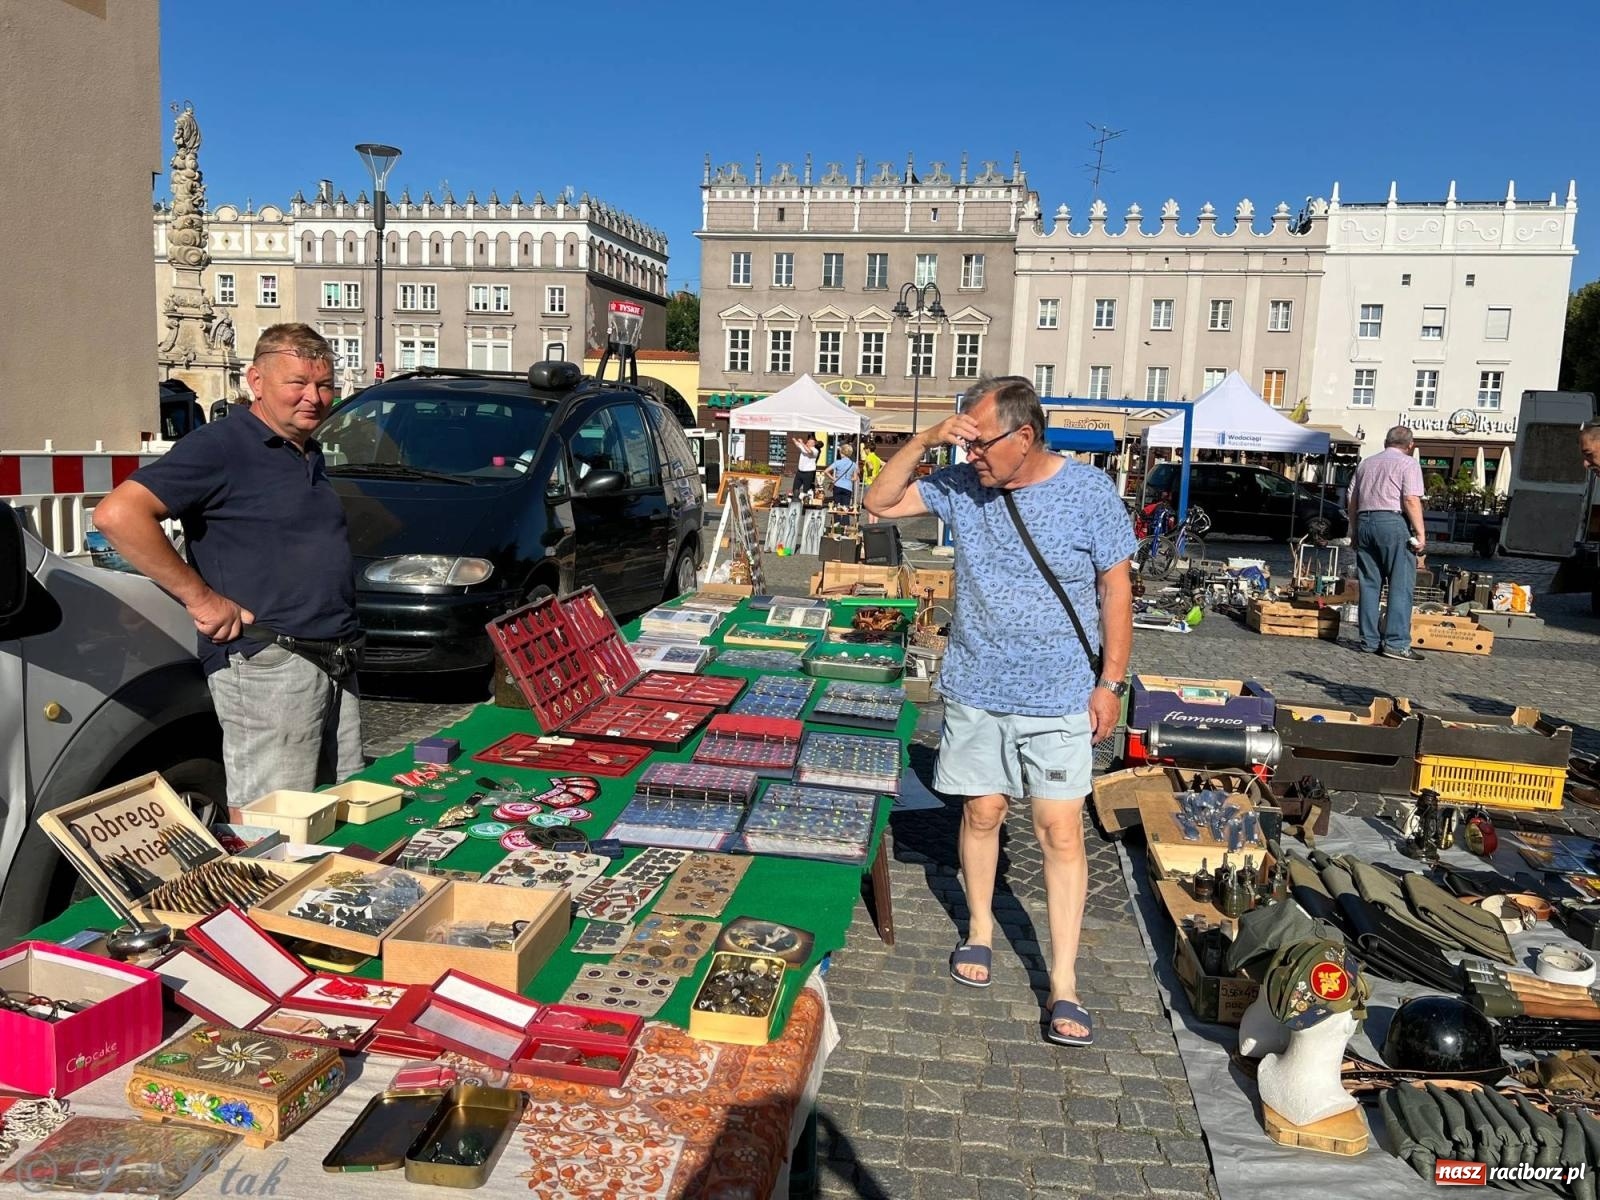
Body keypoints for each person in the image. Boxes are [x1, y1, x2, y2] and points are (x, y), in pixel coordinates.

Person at [864, 375, 1135, 1047]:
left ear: (1024, 436)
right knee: (982, 812)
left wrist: (1112, 682)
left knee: (1060, 831)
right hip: (978, 684)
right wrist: (927, 439)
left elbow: (1115, 587)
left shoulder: (1088, 493)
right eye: (964, 442)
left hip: (1060, 691)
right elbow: (878, 501)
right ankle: (980, 930)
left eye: (980, 443)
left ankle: (1064, 982)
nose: (971, 456)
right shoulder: (961, 486)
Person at [94, 323, 364, 805]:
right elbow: (119, 515)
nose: (314, 397)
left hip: (333, 657)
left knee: (341, 807)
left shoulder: (306, 449)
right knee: (276, 822)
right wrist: (201, 598)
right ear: (255, 382)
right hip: (270, 661)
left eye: (324, 385)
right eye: (297, 383)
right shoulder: (221, 444)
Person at [1346, 425, 1427, 661]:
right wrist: (1421, 534)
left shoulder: (1366, 464)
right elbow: (1411, 499)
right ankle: (1395, 643)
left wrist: (1355, 531)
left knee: (1370, 584)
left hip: (1365, 521)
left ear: (1385, 441)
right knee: (1401, 585)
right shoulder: (1408, 463)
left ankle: (1369, 641)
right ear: (1410, 445)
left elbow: (1352, 499)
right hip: (1392, 522)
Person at [860, 440, 885, 524]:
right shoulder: (877, 458)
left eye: (864, 449)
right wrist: (878, 473)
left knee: (869, 506)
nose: (864, 451)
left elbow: (870, 466)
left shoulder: (868, 457)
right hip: (877, 483)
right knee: (875, 505)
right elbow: (885, 465)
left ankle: (870, 525)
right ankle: (875, 524)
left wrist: (871, 473)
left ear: (868, 449)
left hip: (869, 483)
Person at [825, 441, 857, 507]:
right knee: (846, 508)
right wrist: (848, 478)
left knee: (837, 507)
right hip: (848, 487)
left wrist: (833, 478)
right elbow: (855, 478)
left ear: (841, 453)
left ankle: (837, 517)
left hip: (838, 485)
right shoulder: (853, 464)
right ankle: (845, 517)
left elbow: (826, 471)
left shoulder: (838, 462)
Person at [791, 434, 820, 499]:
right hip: (800, 472)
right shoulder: (804, 447)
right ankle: (795, 501)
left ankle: (805, 503)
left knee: (806, 491)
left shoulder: (815, 450)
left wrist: (802, 442)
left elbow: (809, 451)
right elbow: (797, 444)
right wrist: (794, 439)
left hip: (808, 473)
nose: (807, 443)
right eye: (807, 441)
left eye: (809, 442)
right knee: (795, 489)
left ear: (813, 444)